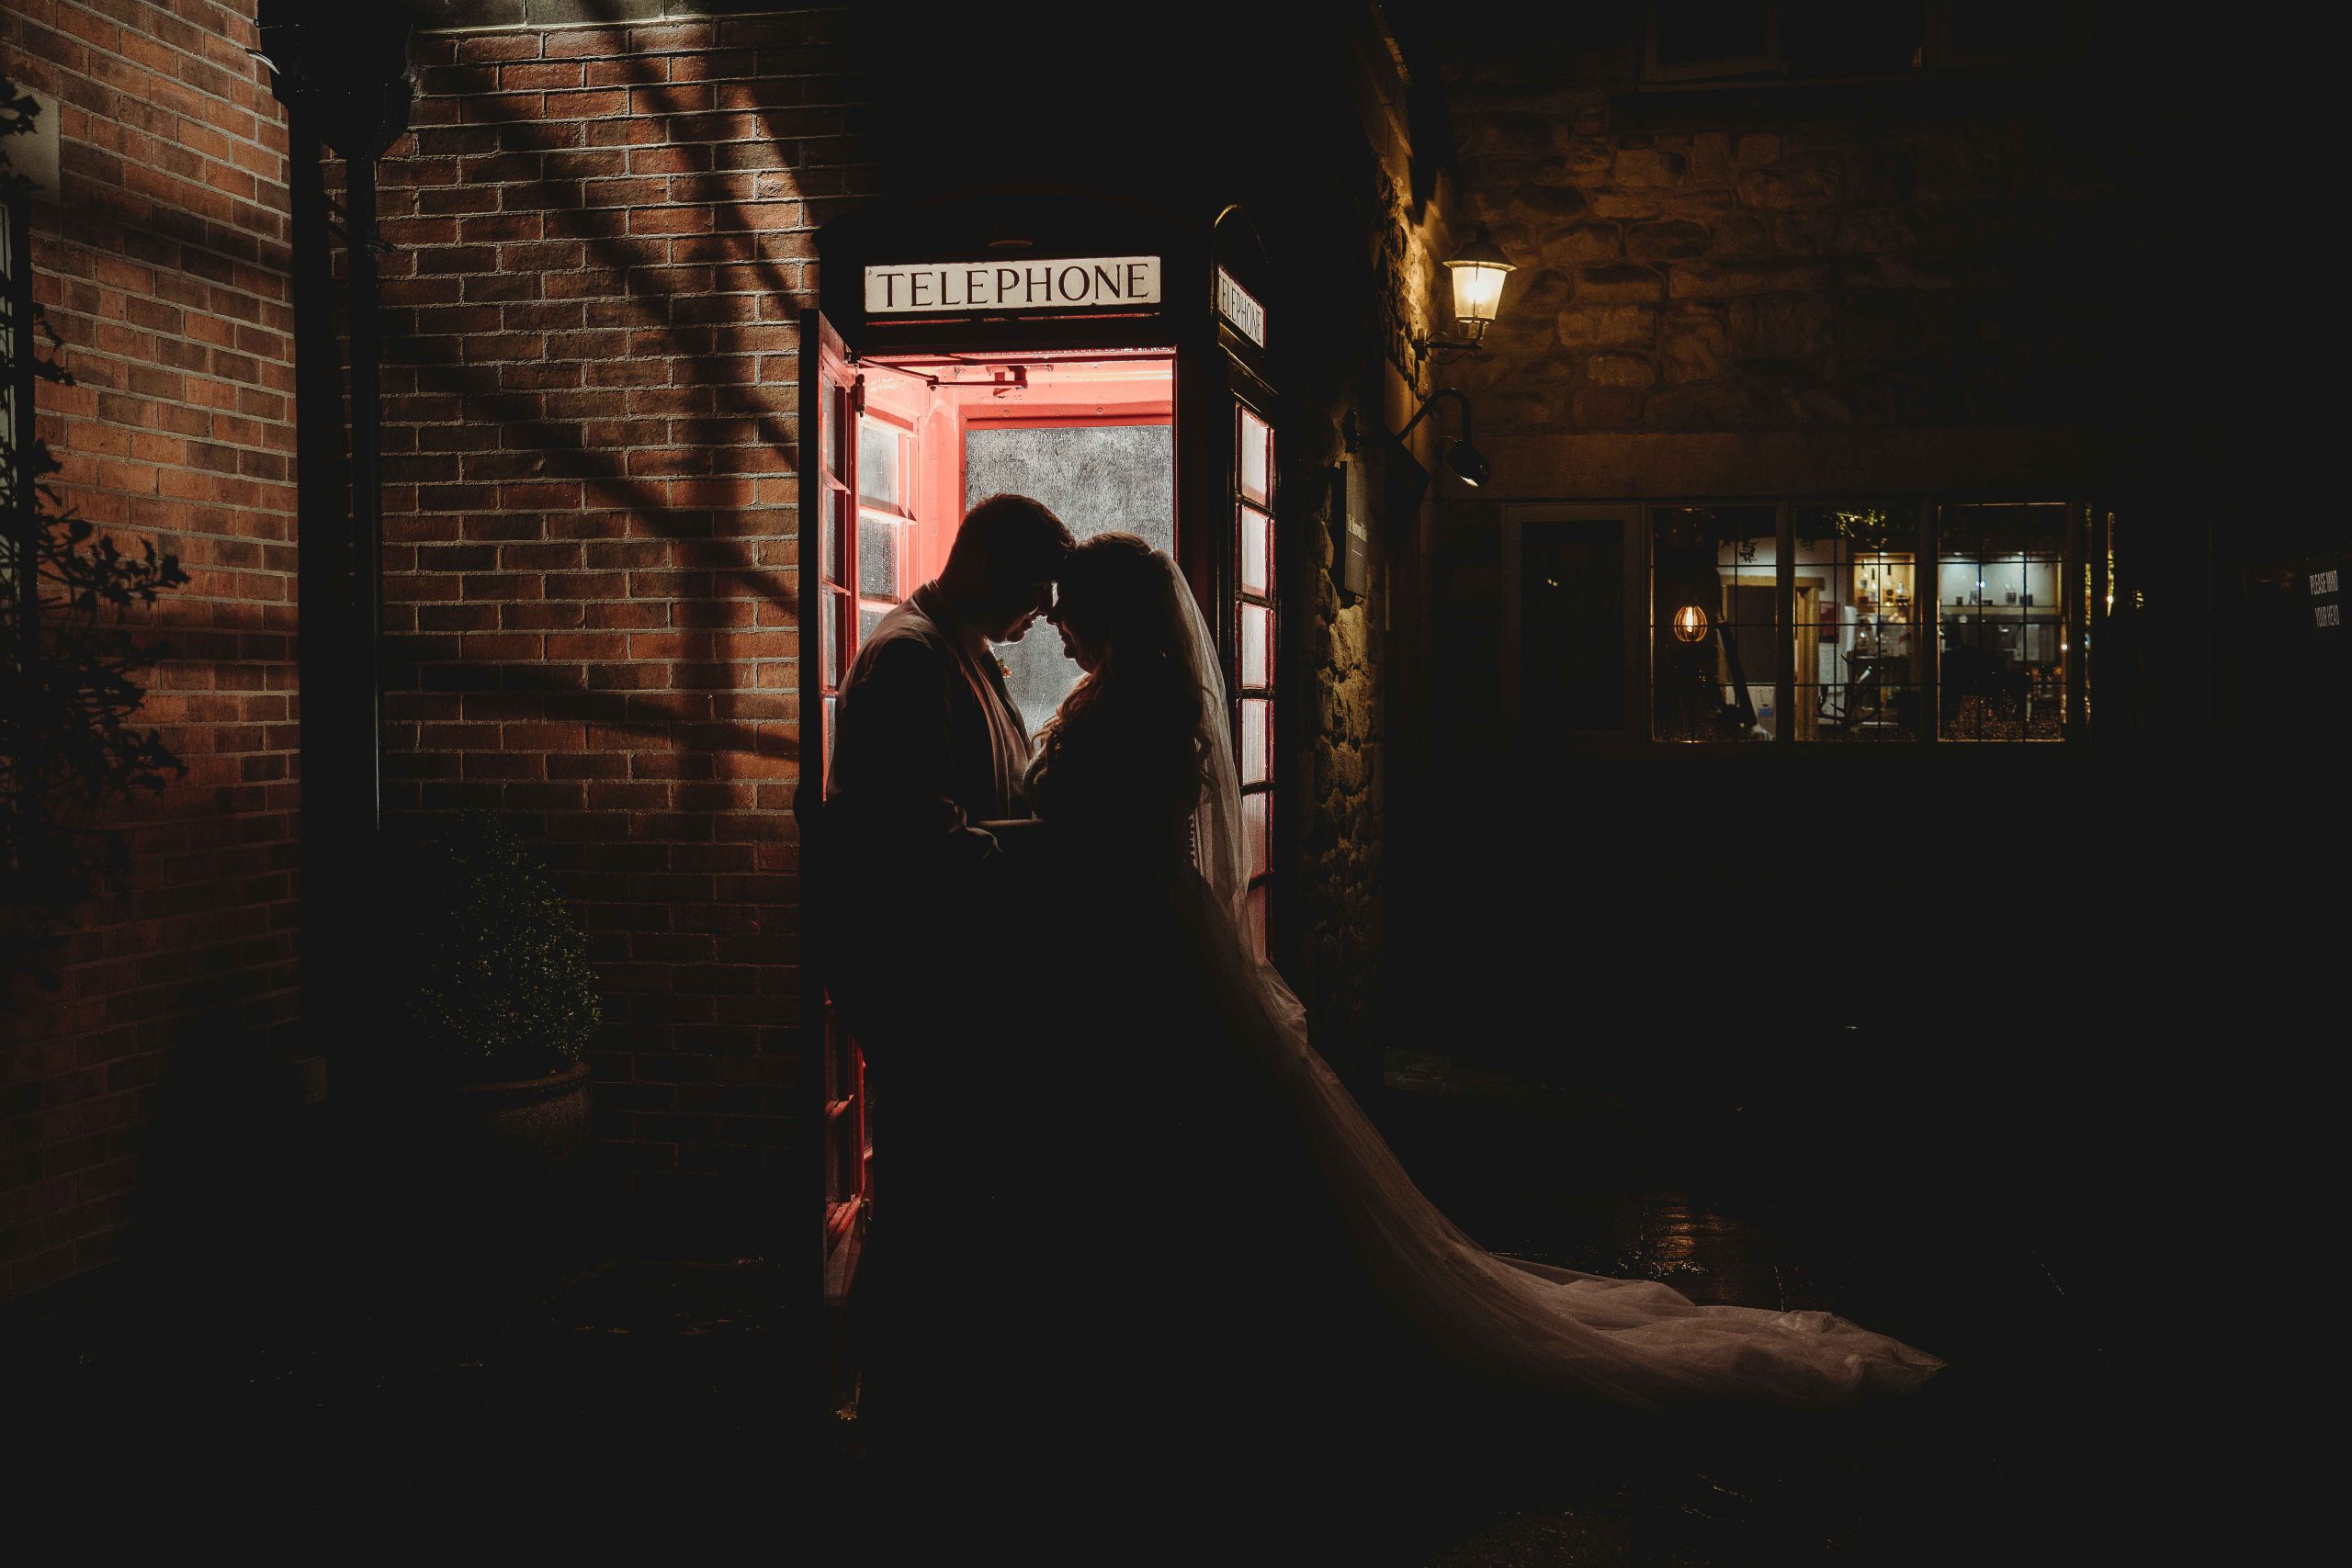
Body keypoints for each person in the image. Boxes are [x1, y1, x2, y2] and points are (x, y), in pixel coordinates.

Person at [1020, 535, 1945, 1459]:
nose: (1057, 628)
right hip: (1160, 934)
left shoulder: (1126, 711)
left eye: (1070, 609)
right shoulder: (1149, 699)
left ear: (1109, 613)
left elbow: (1099, 836)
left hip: (1147, 943)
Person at [821, 492, 1073, 1482]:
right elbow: (916, 838)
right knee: (926, 1186)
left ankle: (932, 1387)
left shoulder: (956, 647)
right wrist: (1058, 853)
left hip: (960, 971)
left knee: (952, 1183)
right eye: (1033, 590)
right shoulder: (909, 659)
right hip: (922, 976)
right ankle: (894, 1403)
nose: (1043, 613)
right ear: (984, 564)